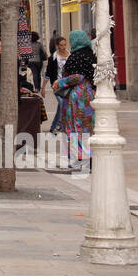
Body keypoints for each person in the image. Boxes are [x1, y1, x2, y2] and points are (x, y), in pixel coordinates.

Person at [55, 29, 97, 170]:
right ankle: (88, 158)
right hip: (89, 94)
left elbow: (77, 76)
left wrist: (60, 82)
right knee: (87, 127)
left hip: (77, 95)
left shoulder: (75, 56)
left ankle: (79, 159)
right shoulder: (91, 55)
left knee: (75, 127)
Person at [44, 36, 72, 133]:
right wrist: (43, 88)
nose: (63, 47)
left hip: (68, 84)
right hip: (57, 85)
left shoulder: (71, 56)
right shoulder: (53, 58)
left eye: (65, 45)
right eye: (61, 45)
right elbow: (48, 73)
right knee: (61, 103)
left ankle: (57, 125)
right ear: (57, 46)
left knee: (64, 105)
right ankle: (57, 126)